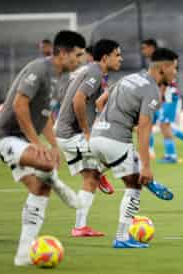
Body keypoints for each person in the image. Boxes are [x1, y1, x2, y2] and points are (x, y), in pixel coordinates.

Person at [0, 30, 86, 266]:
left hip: (21, 140)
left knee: (40, 188)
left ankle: (23, 255)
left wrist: (53, 144)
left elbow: (46, 115)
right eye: (78, 55)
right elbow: (20, 106)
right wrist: (36, 142)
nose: (80, 60)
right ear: (62, 53)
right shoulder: (38, 69)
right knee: (46, 164)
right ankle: (59, 184)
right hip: (2, 138)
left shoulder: (62, 78)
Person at [89, 48, 178, 248]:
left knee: (127, 166)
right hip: (116, 141)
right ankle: (121, 238)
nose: (176, 73)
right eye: (174, 68)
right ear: (164, 67)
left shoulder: (129, 78)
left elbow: (99, 101)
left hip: (96, 137)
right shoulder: (152, 89)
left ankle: (102, 170)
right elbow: (144, 129)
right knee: (135, 185)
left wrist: (112, 123)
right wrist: (147, 166)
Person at [55, 39, 122, 237]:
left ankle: (80, 227)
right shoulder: (94, 71)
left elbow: (95, 103)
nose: (121, 59)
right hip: (72, 134)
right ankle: (101, 169)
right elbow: (78, 99)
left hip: (66, 132)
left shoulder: (93, 72)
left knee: (90, 178)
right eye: (117, 54)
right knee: (121, 150)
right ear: (105, 57)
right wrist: (86, 130)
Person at [140, 38, 183, 163]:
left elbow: (164, 81)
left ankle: (171, 155)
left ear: (151, 48)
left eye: (144, 48)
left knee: (164, 124)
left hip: (169, 97)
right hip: (165, 97)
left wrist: (158, 97)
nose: (142, 51)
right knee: (159, 124)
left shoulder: (163, 60)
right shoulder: (155, 62)